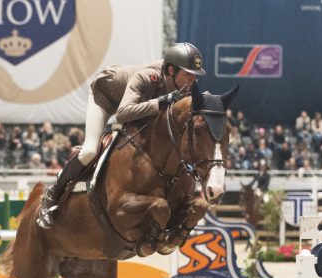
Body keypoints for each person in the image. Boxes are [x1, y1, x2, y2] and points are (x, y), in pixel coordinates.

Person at [37, 42, 206, 229]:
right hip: (106, 97)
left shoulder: (183, 84)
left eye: (194, 77)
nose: (192, 81)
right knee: (89, 151)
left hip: (138, 105)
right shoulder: (147, 77)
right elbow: (123, 113)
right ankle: (53, 193)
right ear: (171, 71)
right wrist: (162, 101)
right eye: (188, 75)